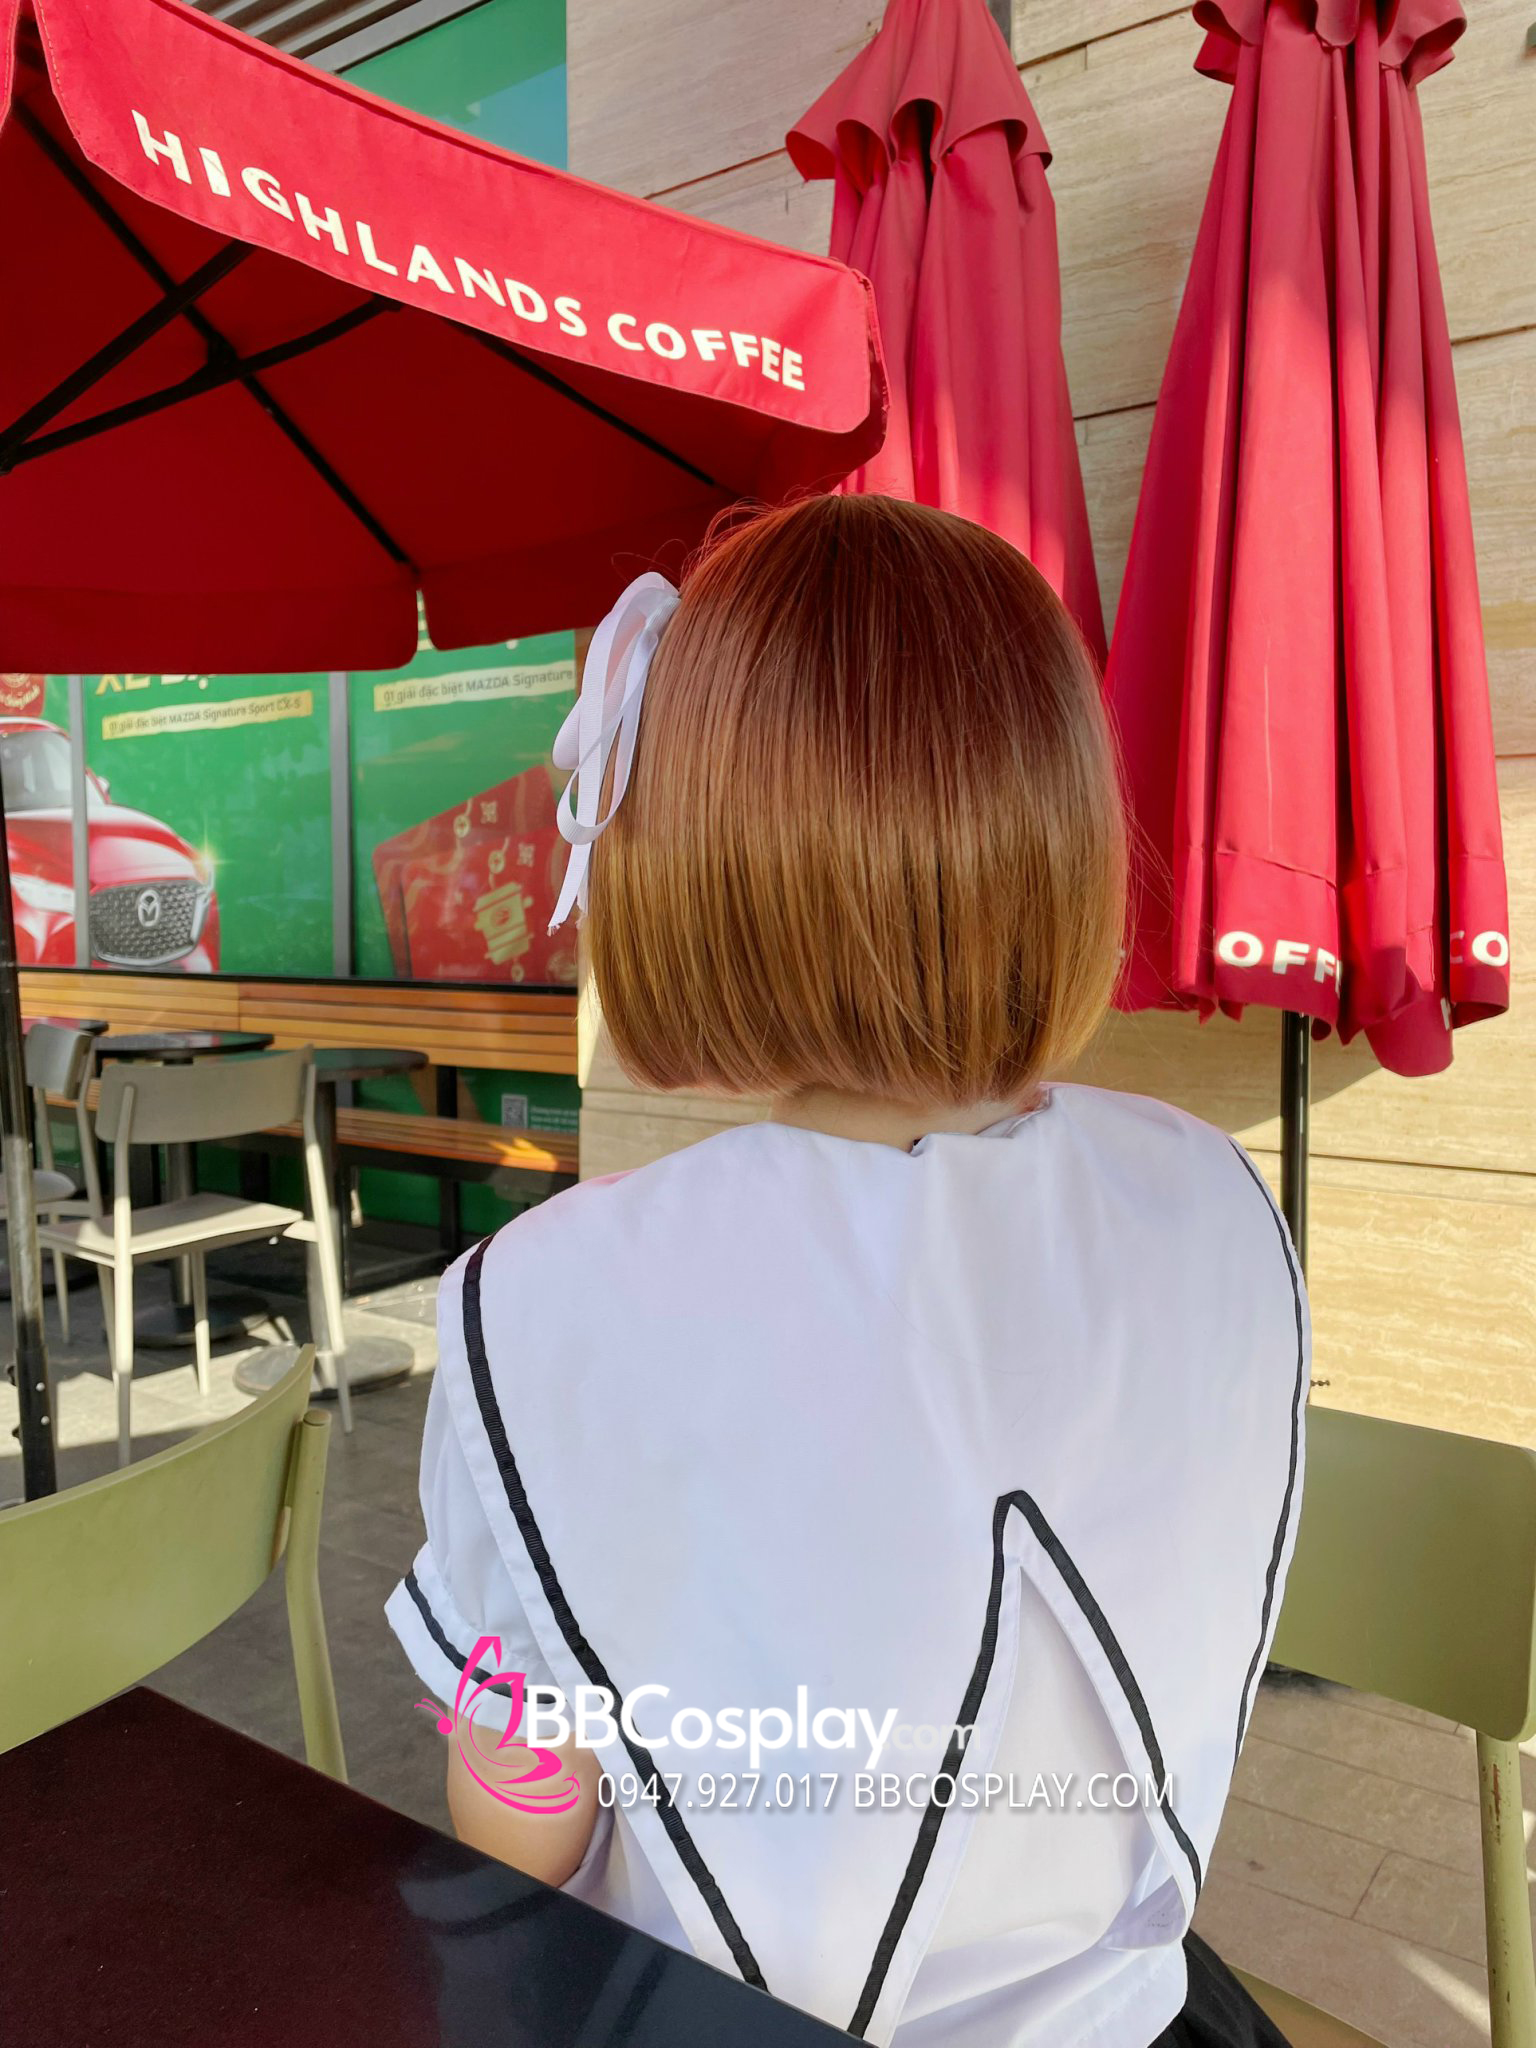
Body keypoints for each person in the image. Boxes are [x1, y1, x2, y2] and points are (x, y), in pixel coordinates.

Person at [386, 494, 1307, 2048]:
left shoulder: (543, 1302)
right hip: (1144, 2016)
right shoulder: (1210, 1195)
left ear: (683, 857)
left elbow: (522, 1811)